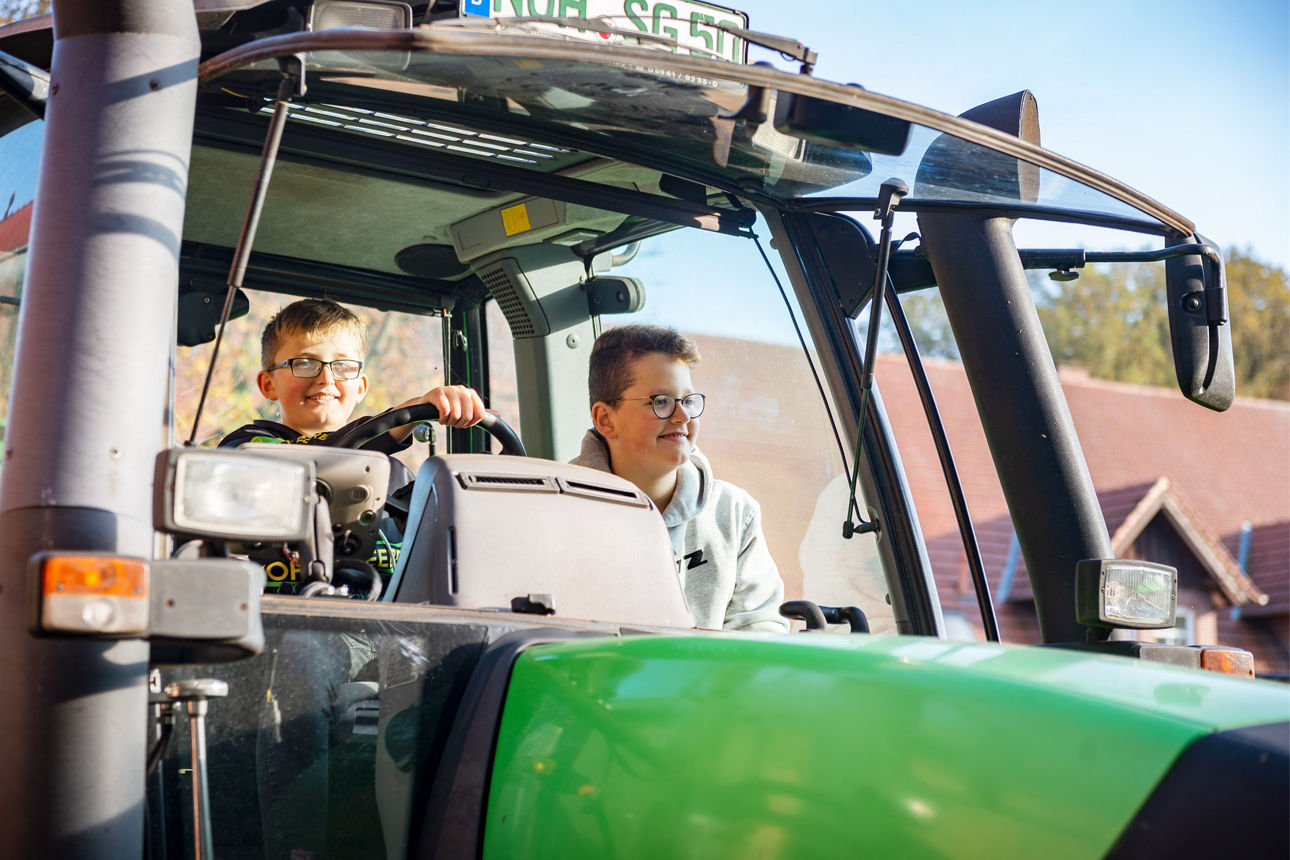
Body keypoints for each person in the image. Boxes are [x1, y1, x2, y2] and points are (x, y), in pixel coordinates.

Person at [220, 297, 486, 593]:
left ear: (360, 387)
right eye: (305, 363)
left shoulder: (394, 474)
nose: (326, 378)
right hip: (279, 627)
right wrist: (406, 415)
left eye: (343, 366)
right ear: (268, 384)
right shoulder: (247, 448)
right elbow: (317, 460)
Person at [571, 324, 788, 632]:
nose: (682, 416)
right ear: (606, 420)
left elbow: (761, 630)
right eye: (660, 401)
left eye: (687, 401)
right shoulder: (559, 512)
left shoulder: (735, 513)